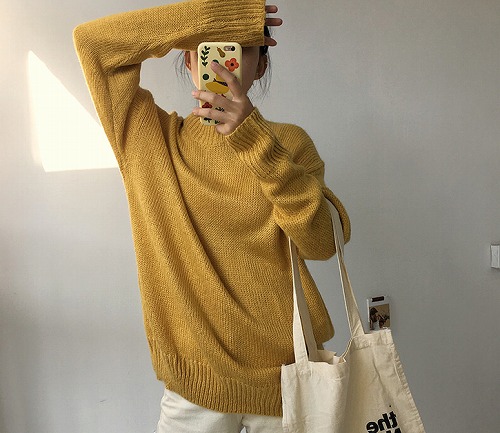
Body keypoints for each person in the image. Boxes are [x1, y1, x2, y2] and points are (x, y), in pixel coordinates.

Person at [73, 0, 350, 431]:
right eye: (210, 47)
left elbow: (321, 244)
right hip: (194, 390)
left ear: (260, 66)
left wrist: (253, 140)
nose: (225, 60)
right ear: (189, 59)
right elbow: (93, 44)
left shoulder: (290, 144)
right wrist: (212, 17)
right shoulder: (149, 140)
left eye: (242, 48)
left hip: (288, 381)